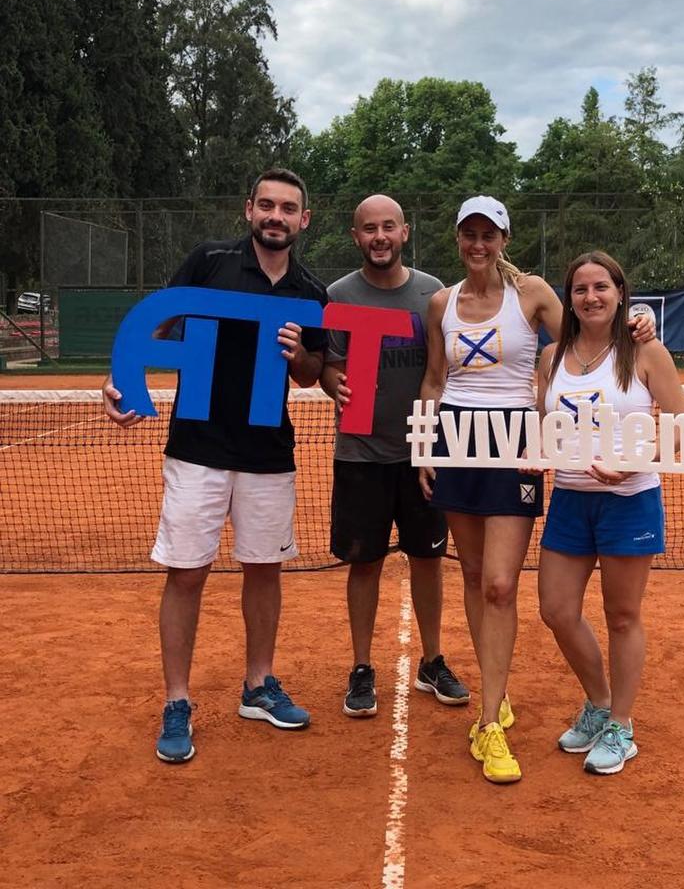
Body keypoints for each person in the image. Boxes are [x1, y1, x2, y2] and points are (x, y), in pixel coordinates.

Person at [418, 198, 655, 785]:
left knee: (500, 583)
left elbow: (586, 334)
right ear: (458, 239)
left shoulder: (534, 294)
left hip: (516, 445)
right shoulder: (441, 303)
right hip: (454, 441)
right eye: (469, 234)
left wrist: (640, 316)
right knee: (474, 576)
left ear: (504, 238)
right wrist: (424, 444)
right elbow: (434, 378)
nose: (479, 243)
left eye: (489, 234)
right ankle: (493, 701)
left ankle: (491, 723)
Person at [102, 167, 328, 763]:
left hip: (267, 453)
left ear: (304, 220)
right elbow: (158, 319)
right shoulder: (209, 260)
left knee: (264, 569)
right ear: (249, 208)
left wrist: (300, 352)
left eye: (288, 209)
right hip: (197, 450)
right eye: (267, 206)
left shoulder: (311, 290)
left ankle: (258, 685)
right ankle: (177, 700)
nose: (276, 217)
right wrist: (122, 374)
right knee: (186, 573)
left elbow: (310, 373)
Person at [535, 250, 684, 775]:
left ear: (620, 293)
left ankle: (622, 725)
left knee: (622, 616)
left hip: (631, 499)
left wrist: (630, 464)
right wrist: (532, 460)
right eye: (580, 289)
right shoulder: (551, 355)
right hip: (570, 498)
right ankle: (599, 703)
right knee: (555, 609)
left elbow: (680, 423)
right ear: (569, 299)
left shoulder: (646, 352)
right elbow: (542, 425)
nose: (591, 297)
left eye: (601, 287)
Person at [320, 194, 469, 717]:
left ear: (405, 232)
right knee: (363, 564)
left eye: (388, 227)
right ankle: (362, 667)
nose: (379, 237)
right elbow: (328, 368)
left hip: (425, 453)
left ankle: (432, 660)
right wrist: (332, 380)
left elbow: (446, 367)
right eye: (368, 229)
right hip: (360, 453)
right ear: (355, 236)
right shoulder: (337, 295)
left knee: (428, 559)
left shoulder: (435, 294)